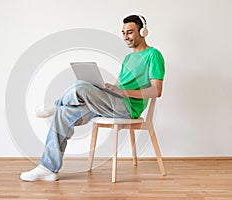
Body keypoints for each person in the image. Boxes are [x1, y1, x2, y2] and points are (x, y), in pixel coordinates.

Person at [20, 14, 165, 181]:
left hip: (127, 108)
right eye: (123, 33)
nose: (126, 37)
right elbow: (119, 86)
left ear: (143, 31)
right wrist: (110, 89)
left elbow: (156, 91)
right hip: (112, 102)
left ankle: (56, 105)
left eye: (130, 32)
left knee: (81, 85)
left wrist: (123, 93)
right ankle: (48, 168)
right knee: (63, 114)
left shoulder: (153, 55)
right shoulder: (128, 58)